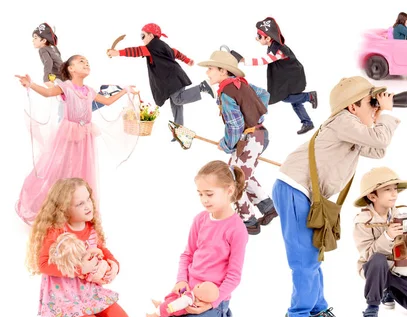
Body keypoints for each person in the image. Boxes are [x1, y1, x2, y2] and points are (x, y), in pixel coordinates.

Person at [272, 75, 400, 317]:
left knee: (314, 256)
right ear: (352, 107)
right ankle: (296, 316)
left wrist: (376, 115)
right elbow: (380, 140)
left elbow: (378, 150)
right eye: (370, 102)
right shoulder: (343, 121)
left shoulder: (352, 129)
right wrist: (384, 114)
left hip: (306, 193)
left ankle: (316, 310)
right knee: (304, 258)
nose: (375, 106)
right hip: (294, 188)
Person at [15, 55, 136, 225]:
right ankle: (50, 208)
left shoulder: (89, 91)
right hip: (68, 134)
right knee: (59, 168)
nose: (86, 63)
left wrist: (125, 90)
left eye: (87, 62)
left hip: (85, 137)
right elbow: (49, 92)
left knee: (81, 171)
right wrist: (31, 84)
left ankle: (75, 211)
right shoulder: (66, 87)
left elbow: (107, 101)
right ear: (71, 69)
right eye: (81, 62)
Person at [148, 160, 249, 317]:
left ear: (229, 190)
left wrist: (212, 303)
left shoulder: (237, 230)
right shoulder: (200, 219)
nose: (204, 199)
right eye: (200, 194)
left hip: (212, 298)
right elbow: (187, 255)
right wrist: (180, 281)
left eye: (209, 194)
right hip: (187, 294)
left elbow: (234, 276)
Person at [25, 178, 130, 317]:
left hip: (89, 292)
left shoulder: (90, 228)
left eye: (88, 199)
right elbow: (43, 264)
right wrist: (78, 268)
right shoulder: (57, 231)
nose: (88, 205)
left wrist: (114, 265)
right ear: (64, 210)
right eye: (80, 204)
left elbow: (103, 249)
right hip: (65, 297)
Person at [197, 50, 278, 235]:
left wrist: (225, 144)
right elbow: (263, 94)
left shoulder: (226, 92)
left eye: (210, 68)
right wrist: (257, 114)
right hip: (257, 136)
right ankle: (267, 206)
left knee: (233, 180)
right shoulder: (241, 84)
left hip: (249, 140)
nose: (207, 72)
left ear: (223, 71)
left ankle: (248, 220)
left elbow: (234, 126)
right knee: (241, 173)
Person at [353, 166, 407, 317]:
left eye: (395, 189)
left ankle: (389, 290)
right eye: (388, 190)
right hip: (374, 268)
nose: (394, 194)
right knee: (377, 259)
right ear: (372, 196)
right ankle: (372, 306)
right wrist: (388, 236)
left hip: (398, 269)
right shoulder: (363, 221)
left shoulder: (401, 215)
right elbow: (368, 255)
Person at [107, 23, 214, 139]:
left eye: (143, 36)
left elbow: (136, 51)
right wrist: (187, 60)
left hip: (172, 79)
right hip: (175, 77)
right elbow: (176, 52)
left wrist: (117, 53)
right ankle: (179, 130)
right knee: (176, 105)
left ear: (151, 36)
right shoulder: (162, 46)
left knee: (178, 100)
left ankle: (202, 87)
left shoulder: (153, 46)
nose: (142, 40)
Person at [232, 17, 317, 135]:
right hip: (288, 76)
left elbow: (263, 61)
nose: (257, 38)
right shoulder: (273, 45)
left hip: (293, 76)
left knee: (285, 97)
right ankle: (307, 123)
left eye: (259, 36)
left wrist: (242, 60)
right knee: (295, 101)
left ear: (268, 38)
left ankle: (309, 97)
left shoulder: (278, 50)